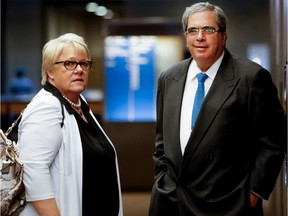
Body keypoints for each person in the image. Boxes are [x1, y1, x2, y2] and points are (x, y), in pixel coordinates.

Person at [149, 2, 287, 216]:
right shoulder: (169, 78)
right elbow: (162, 143)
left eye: (208, 29)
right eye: (193, 30)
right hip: (172, 202)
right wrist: (162, 180)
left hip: (227, 203)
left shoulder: (251, 78)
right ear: (186, 36)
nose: (199, 37)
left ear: (224, 35)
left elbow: (274, 139)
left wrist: (254, 192)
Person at [18, 33, 123, 216]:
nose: (79, 69)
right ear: (50, 71)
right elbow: (33, 170)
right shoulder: (46, 105)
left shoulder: (80, 104)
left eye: (84, 63)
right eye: (69, 63)